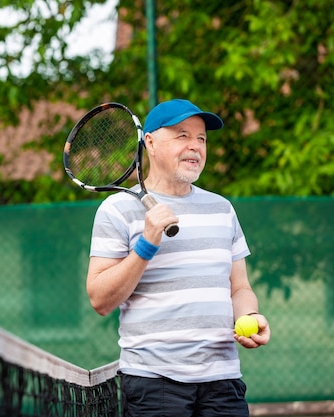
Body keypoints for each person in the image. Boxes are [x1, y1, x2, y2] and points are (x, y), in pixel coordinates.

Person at [86, 99, 271, 416]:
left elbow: (239, 288)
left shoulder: (223, 209)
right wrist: (146, 244)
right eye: (182, 135)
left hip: (223, 381)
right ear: (150, 143)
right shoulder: (116, 210)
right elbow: (100, 299)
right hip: (154, 383)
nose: (195, 146)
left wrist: (251, 316)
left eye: (201, 138)